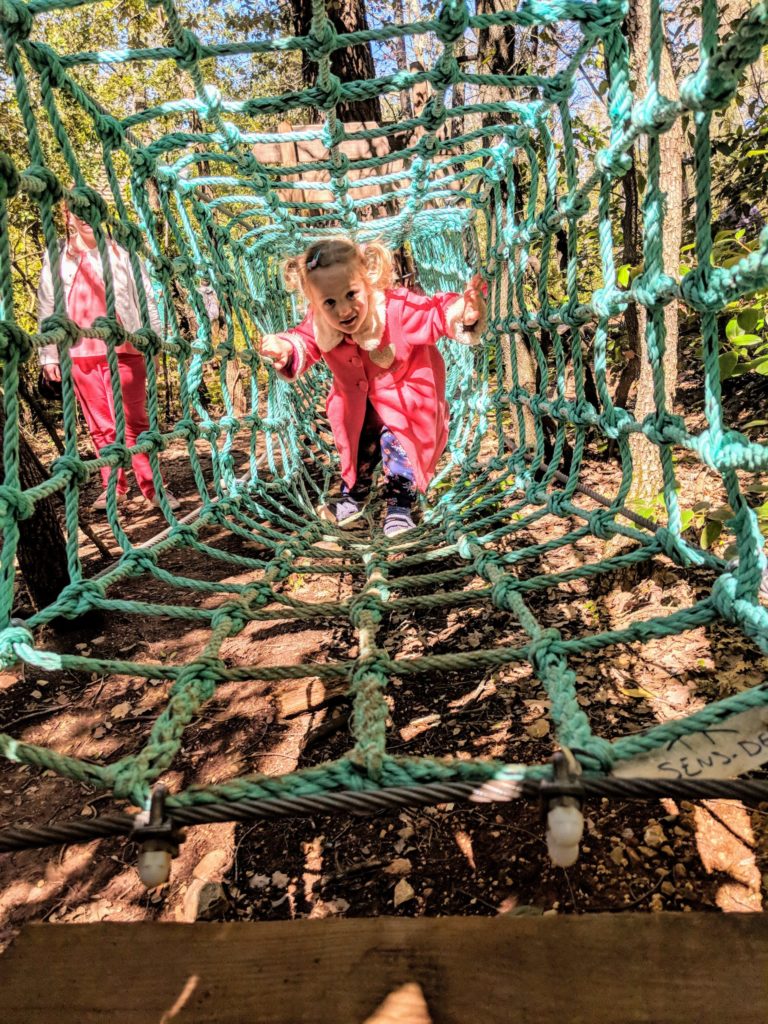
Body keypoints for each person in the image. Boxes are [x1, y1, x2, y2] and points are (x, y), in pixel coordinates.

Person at [259, 237, 486, 537]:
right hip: (358, 408)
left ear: (368, 283)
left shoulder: (395, 309)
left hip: (407, 401)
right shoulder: (322, 323)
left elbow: (432, 312)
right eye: (330, 302)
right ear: (315, 303)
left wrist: (462, 310)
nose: (343, 310)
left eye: (351, 294)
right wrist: (284, 347)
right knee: (358, 453)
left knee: (398, 447)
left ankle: (400, 507)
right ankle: (354, 495)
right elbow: (304, 340)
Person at [37, 206, 180, 511]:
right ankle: (113, 487)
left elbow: (146, 299)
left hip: (125, 345)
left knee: (135, 420)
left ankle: (153, 487)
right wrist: (48, 353)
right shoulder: (57, 257)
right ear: (67, 217)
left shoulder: (122, 253)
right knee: (100, 425)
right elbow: (47, 304)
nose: (84, 216)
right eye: (77, 211)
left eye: (90, 209)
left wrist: (152, 341)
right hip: (79, 350)